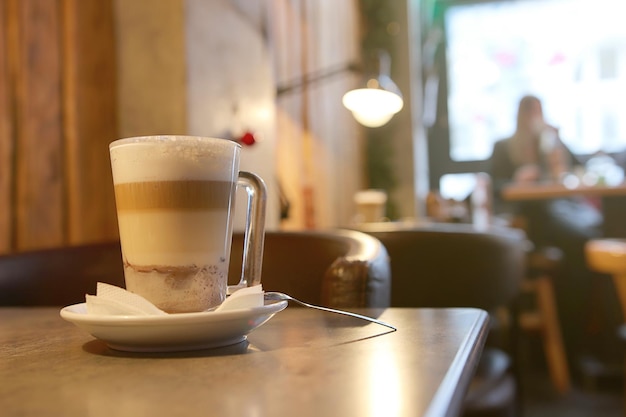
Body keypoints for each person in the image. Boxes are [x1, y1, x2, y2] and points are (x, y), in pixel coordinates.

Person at [490, 95, 607, 373]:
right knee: (581, 247)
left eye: (538, 111)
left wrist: (558, 155)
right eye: (529, 112)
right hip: (531, 221)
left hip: (562, 213)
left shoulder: (551, 142)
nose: (534, 118)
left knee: (591, 240)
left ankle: (590, 341)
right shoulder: (504, 147)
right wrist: (518, 179)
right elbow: (494, 187)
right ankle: (574, 348)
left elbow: (579, 171)